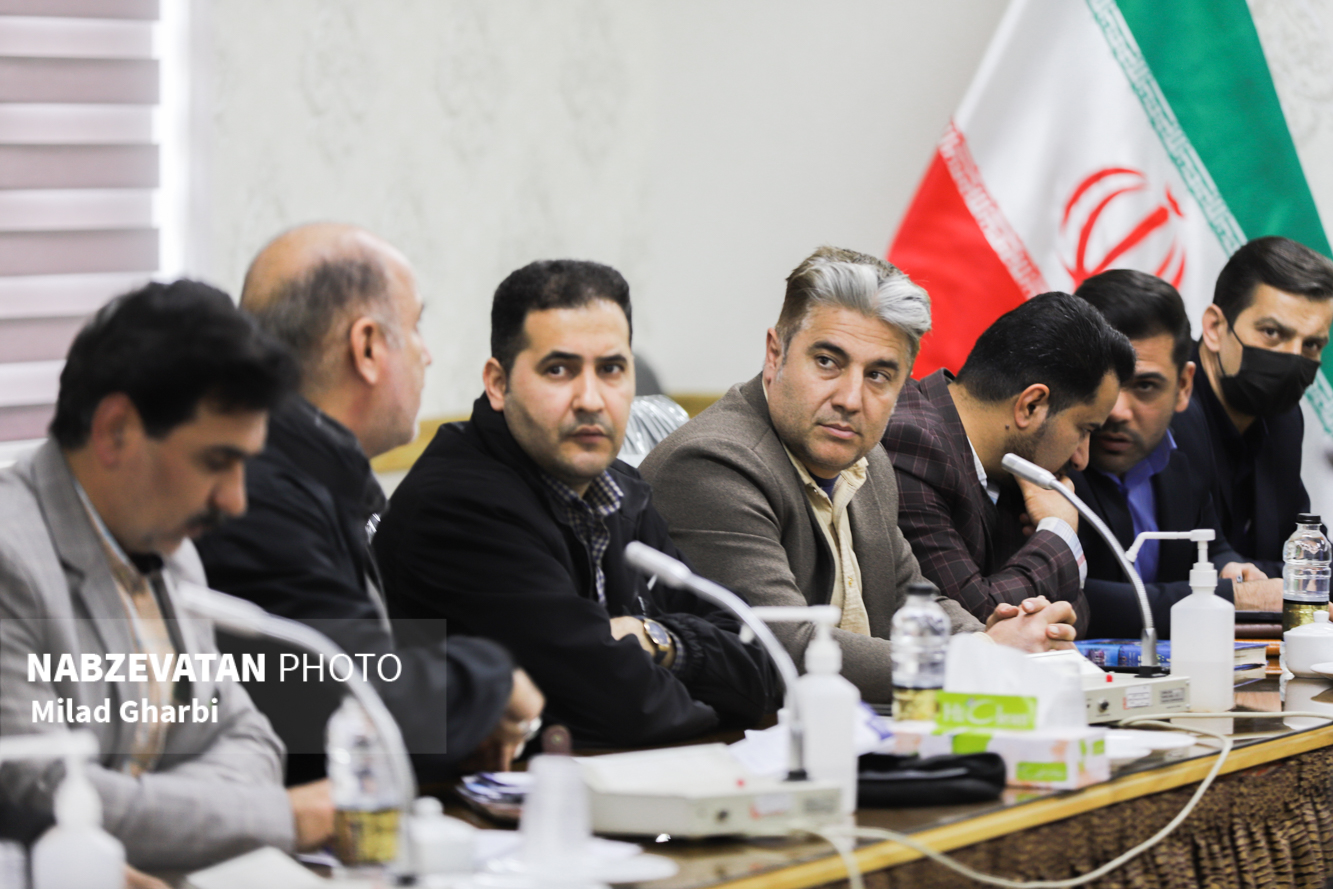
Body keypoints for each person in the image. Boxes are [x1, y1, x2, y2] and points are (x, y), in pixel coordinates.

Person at [640, 247, 1078, 702]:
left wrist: (1009, 639)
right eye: (827, 362)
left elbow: (910, 598)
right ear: (775, 355)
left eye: (878, 375)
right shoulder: (712, 464)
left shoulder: (868, 462)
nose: (850, 399)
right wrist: (981, 656)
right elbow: (784, 646)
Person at [373, 259, 781, 747]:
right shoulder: (457, 507)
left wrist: (657, 640)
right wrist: (695, 676)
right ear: (498, 384)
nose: (590, 399)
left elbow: (762, 667)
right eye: (559, 370)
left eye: (611, 369)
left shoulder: (618, 487)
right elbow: (628, 709)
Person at [0, 281, 333, 871]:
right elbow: (41, 794)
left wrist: (149, 816)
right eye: (216, 461)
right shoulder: (11, 557)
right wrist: (287, 817)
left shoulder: (169, 549)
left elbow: (249, 740)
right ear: (116, 430)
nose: (235, 502)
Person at [195, 223, 543, 785]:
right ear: (368, 348)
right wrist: (493, 678)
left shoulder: (322, 474)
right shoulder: (257, 496)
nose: (427, 354)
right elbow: (359, 697)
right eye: (415, 326)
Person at [882, 292, 1137, 635]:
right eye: (1084, 430)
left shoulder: (1012, 465)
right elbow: (973, 622)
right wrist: (1058, 532)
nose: (1082, 459)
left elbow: (1075, 609)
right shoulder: (911, 443)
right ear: (1032, 406)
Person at [1071, 270, 1281, 637]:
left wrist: (1232, 570)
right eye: (1101, 382)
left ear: (1183, 386)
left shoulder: (1188, 430)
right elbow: (1071, 598)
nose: (1117, 410)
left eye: (1145, 386)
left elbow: (1212, 545)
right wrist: (1233, 599)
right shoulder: (1046, 452)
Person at [1172, 236, 1333, 575]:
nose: (1293, 359)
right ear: (1215, 328)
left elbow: (1312, 560)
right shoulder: (1168, 409)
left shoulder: (1285, 419)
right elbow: (1192, 569)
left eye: (1311, 344)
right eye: (1272, 333)